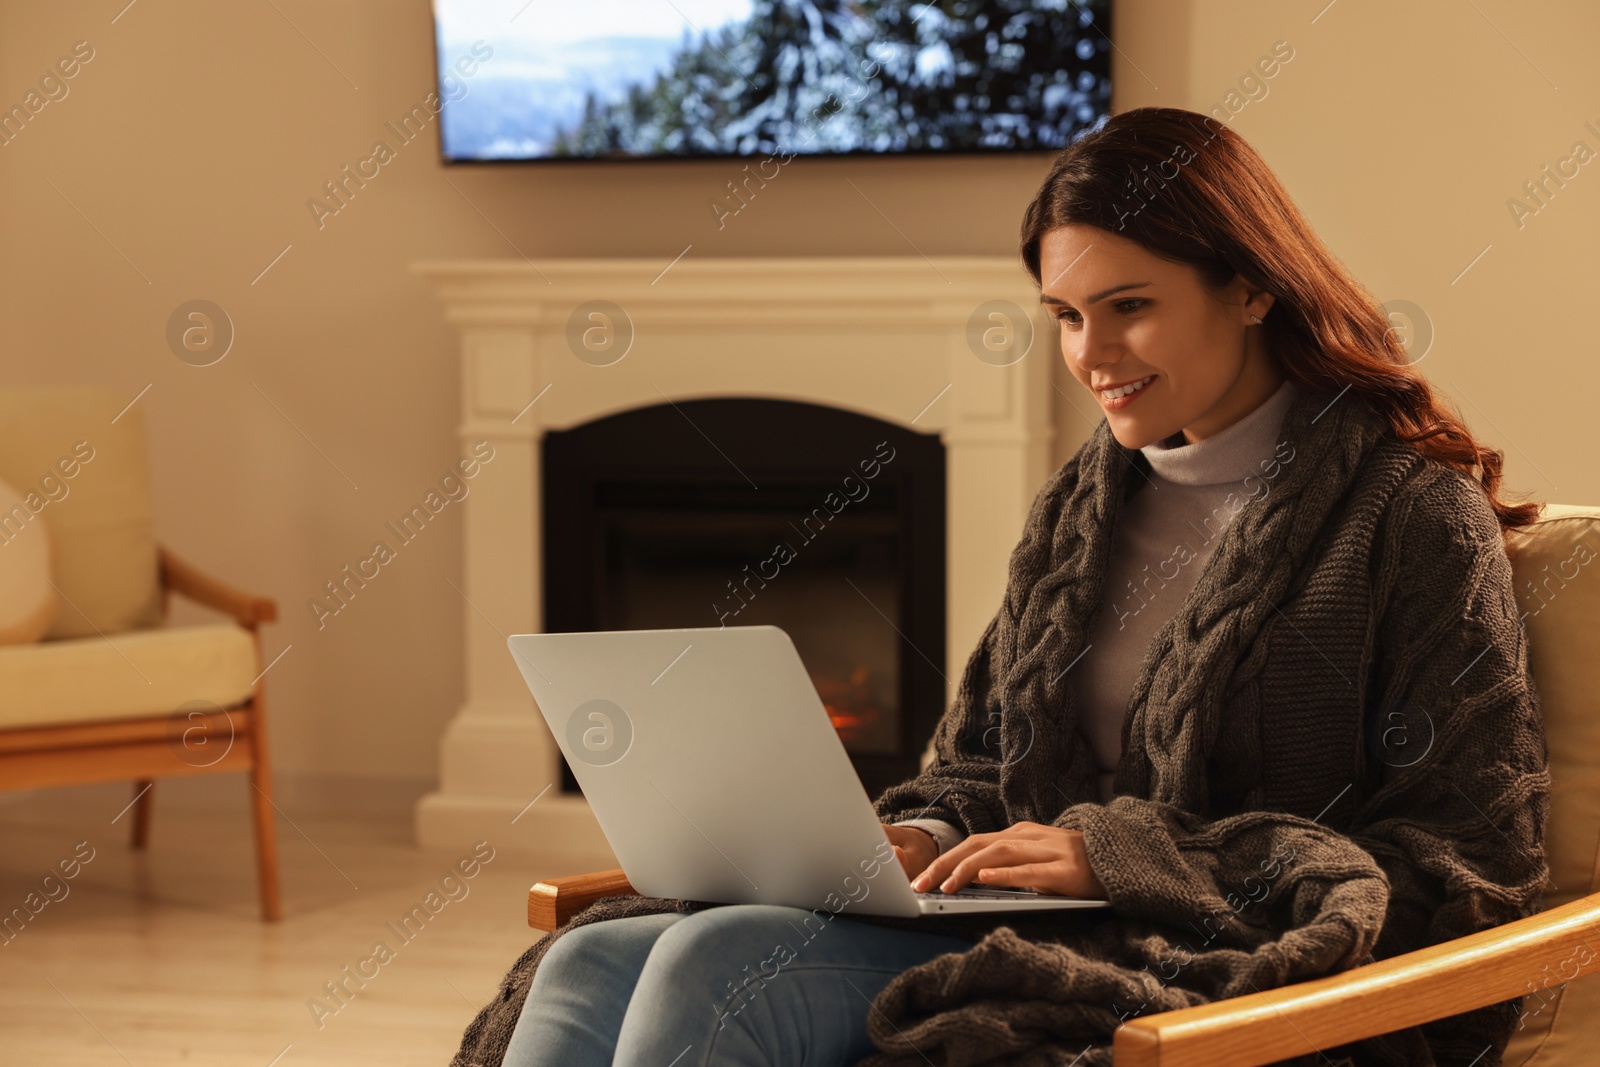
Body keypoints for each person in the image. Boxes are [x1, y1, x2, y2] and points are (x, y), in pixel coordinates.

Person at [460, 106, 1550, 1067]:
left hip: (1212, 963)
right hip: (1022, 918)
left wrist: (1121, 859)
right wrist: (929, 839)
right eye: (1066, 315)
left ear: (1252, 284)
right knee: (594, 958)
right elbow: (981, 761)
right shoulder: (1084, 502)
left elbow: (1465, 864)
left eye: (1129, 305)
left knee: (712, 958)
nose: (1092, 352)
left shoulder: (1408, 518)